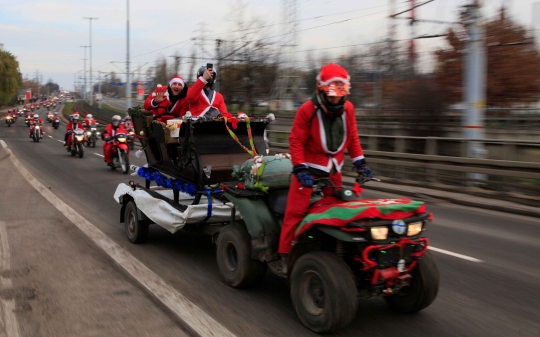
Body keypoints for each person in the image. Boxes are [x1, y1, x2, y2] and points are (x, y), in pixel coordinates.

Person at [277, 63, 373, 270]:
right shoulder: (306, 111)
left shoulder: (348, 109)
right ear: (321, 90)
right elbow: (296, 141)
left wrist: (361, 164)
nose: (336, 100)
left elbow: (352, 138)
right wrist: (300, 169)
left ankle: (332, 250)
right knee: (295, 212)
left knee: (337, 210)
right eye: (331, 96)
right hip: (308, 169)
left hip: (333, 169)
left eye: (340, 95)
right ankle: (285, 255)